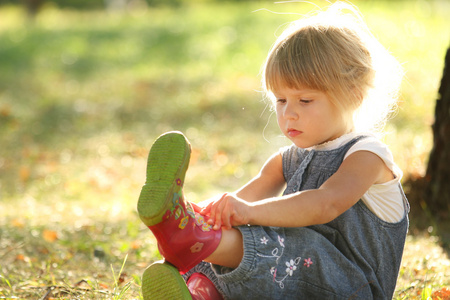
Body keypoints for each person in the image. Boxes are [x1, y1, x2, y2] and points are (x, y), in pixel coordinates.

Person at [137, 1, 408, 299]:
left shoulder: (367, 155)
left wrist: (249, 213)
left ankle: (193, 239)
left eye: (304, 101)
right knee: (241, 238)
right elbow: (240, 202)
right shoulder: (286, 160)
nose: (288, 113)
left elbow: (325, 204)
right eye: (280, 100)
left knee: (286, 241)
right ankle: (198, 286)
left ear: (353, 95)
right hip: (296, 280)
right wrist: (208, 213)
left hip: (353, 288)